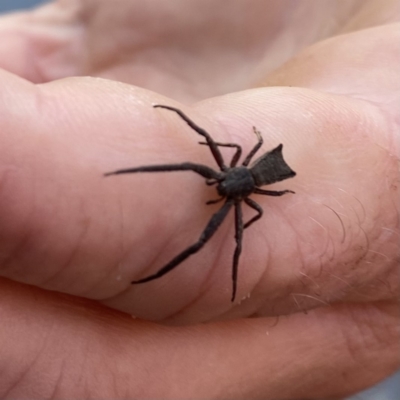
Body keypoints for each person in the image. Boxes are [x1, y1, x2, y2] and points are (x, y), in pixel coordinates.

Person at [0, 0, 398, 398]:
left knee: (208, 242)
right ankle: (124, 185)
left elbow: (247, 217)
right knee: (193, 165)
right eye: (222, 183)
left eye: (223, 186)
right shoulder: (234, 178)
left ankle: (160, 271)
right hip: (255, 171)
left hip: (260, 173)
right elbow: (209, 140)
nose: (219, 187)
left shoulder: (246, 196)